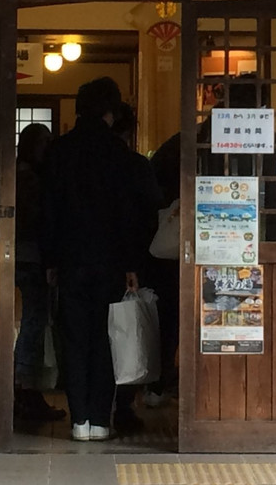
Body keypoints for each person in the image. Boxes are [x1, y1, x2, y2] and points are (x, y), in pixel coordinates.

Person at [41, 77, 140, 442]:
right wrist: (131, 264)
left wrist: (50, 260)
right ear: (109, 111)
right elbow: (127, 213)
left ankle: (78, 419)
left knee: (74, 338)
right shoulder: (118, 154)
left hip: (69, 260)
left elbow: (48, 210)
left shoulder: (59, 151)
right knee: (105, 337)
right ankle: (100, 419)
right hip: (110, 261)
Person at [111, 103, 163, 433]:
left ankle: (93, 412)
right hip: (136, 258)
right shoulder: (135, 165)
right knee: (129, 331)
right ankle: (125, 405)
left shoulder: (86, 163)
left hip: (91, 259)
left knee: (101, 333)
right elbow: (153, 204)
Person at [12, 123, 66, 422]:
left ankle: (24, 389)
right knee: (34, 321)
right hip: (31, 258)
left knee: (32, 322)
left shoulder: (17, 174)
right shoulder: (32, 179)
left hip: (20, 256)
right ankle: (24, 388)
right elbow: (38, 222)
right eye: (45, 141)